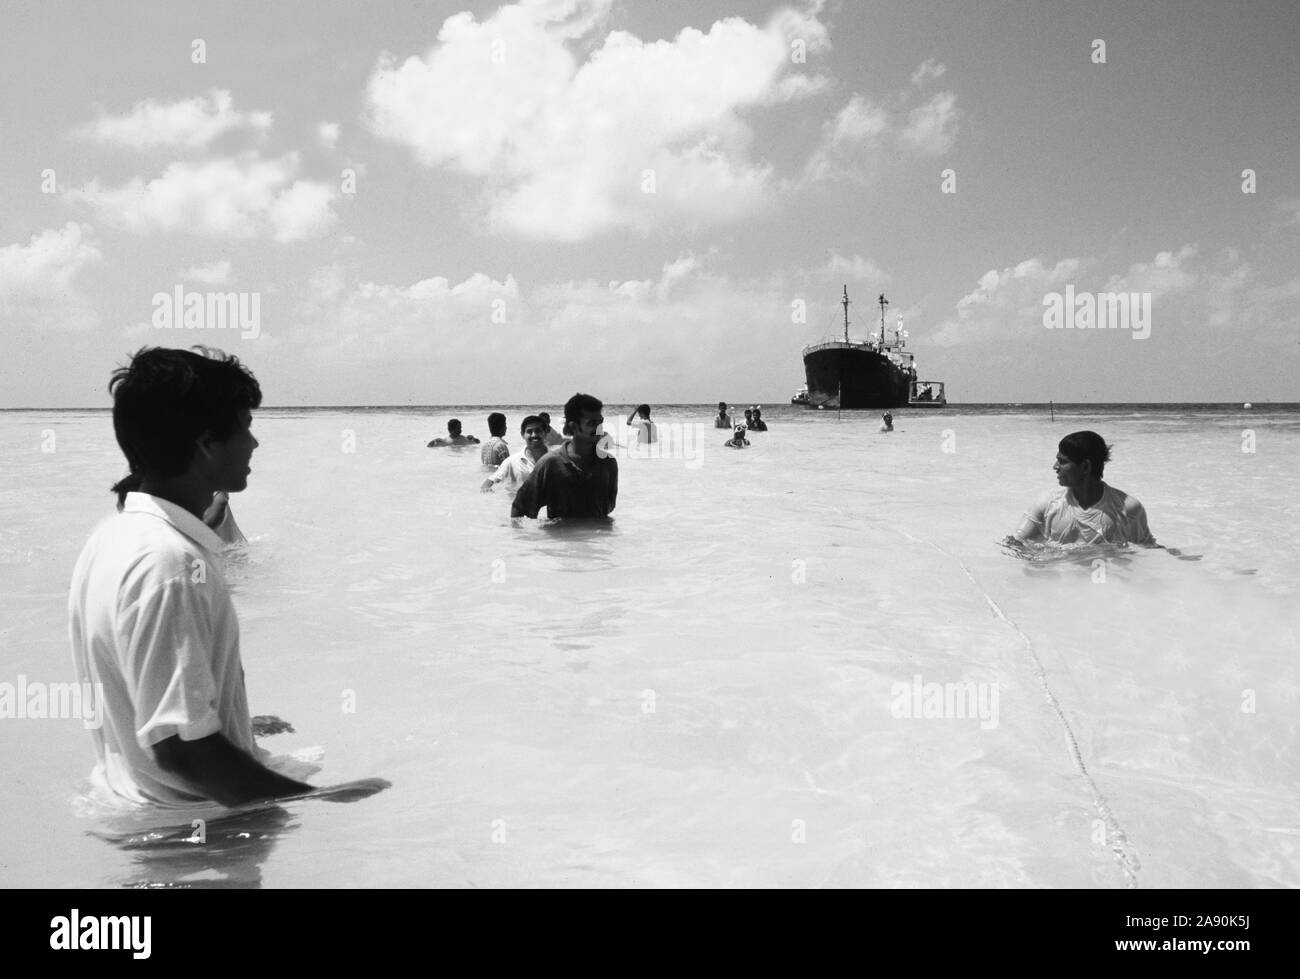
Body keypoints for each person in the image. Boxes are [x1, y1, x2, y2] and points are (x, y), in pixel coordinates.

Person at [69, 346, 388, 807]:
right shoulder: (171, 563)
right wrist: (316, 800)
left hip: (141, 814)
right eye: (245, 427)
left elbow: (149, 702)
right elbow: (183, 749)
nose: (254, 444)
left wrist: (231, 718)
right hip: (199, 837)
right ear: (205, 444)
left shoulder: (110, 538)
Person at [1012, 431, 1157, 546]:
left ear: (1085, 466)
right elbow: (1015, 544)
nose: (1055, 467)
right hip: (1060, 580)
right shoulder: (1047, 504)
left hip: (1108, 581)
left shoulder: (1127, 509)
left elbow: (1147, 550)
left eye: (1062, 461)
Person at [512, 393, 617, 519]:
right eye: (592, 423)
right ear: (574, 426)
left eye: (600, 422)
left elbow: (609, 508)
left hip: (601, 538)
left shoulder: (608, 463)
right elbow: (520, 508)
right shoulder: (550, 463)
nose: (599, 428)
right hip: (562, 538)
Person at [481, 415, 549, 495]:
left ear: (545, 433)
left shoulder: (557, 459)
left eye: (538, 431)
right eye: (529, 431)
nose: (534, 435)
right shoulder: (512, 462)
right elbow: (488, 482)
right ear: (522, 435)